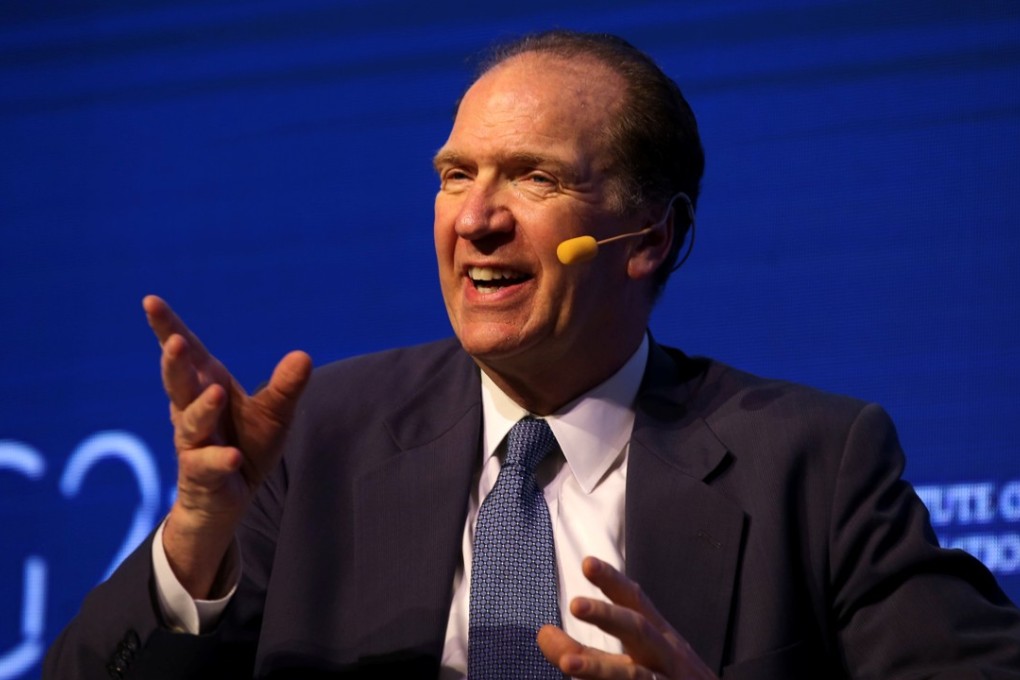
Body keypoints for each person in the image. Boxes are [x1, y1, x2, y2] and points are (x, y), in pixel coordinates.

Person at [44, 30, 1020, 680]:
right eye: (455, 175)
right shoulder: (324, 439)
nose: (476, 218)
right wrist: (196, 534)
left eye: (534, 178)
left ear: (649, 238)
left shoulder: (811, 461)